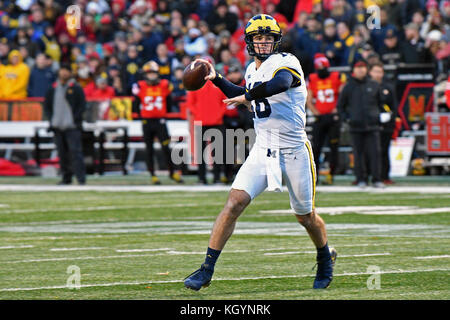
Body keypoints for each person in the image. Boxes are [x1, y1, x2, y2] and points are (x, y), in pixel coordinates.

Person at [184, 14, 337, 291]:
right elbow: (243, 94)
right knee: (233, 204)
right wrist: (216, 78)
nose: (264, 42)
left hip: (293, 150)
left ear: (276, 41)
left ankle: (325, 255)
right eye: (258, 38)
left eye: (268, 38)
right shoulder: (251, 70)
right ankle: (206, 269)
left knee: (305, 216)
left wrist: (247, 96)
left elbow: (278, 85)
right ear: (250, 42)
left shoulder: (286, 62)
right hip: (263, 149)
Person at [131, 61, 183, 185]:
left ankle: (172, 172)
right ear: (145, 75)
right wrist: (141, 116)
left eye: (154, 73)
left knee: (166, 147)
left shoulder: (165, 85)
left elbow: (169, 103)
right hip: (147, 121)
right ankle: (153, 174)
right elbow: (135, 105)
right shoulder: (140, 86)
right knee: (149, 149)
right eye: (149, 74)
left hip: (160, 121)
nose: (152, 76)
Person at [337, 60, 385, 188]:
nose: (361, 70)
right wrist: (347, 119)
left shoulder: (374, 85)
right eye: (358, 68)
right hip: (355, 126)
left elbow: (382, 104)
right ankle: (361, 179)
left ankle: (376, 179)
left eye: (363, 67)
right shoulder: (348, 87)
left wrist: (381, 116)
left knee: (375, 154)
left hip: (373, 125)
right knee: (358, 155)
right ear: (353, 70)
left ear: (366, 70)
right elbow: (340, 106)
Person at [43, 63, 87, 185]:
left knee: (75, 153)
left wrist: (75, 119)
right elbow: (47, 106)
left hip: (72, 126)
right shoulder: (53, 88)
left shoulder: (76, 88)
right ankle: (66, 178)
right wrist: (52, 120)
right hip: (57, 125)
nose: (64, 73)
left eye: (66, 71)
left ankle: (80, 178)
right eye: (62, 70)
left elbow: (82, 106)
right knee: (62, 154)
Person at [307, 53, 344, 185]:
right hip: (320, 118)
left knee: (334, 146)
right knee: (316, 147)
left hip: (333, 118)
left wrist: (337, 109)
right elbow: (308, 99)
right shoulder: (313, 78)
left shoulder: (336, 76)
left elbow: (343, 95)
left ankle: (331, 175)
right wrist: (316, 113)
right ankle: (314, 176)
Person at [368, 62, 397, 185]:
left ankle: (385, 175)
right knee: (369, 150)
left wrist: (391, 118)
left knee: (384, 150)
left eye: (380, 71)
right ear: (370, 72)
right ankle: (368, 175)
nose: (378, 74)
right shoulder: (366, 86)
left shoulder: (388, 87)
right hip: (371, 123)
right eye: (375, 71)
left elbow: (394, 106)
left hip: (386, 124)